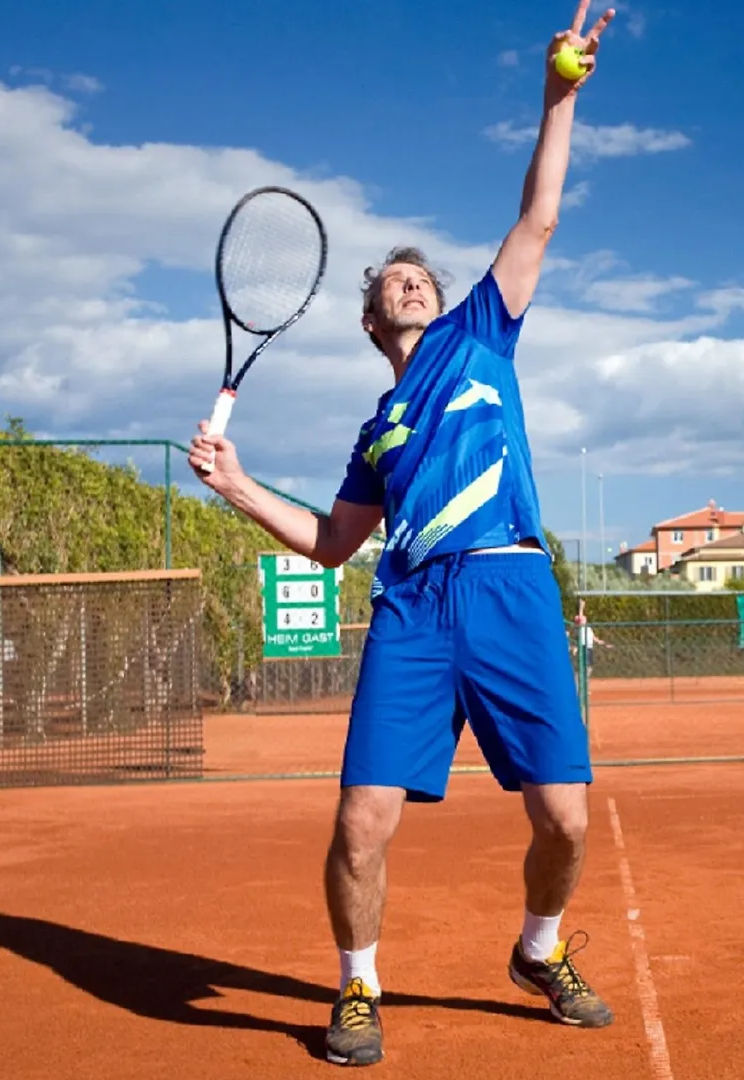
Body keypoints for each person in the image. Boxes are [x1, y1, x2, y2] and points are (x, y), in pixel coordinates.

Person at [188, 3, 617, 1067]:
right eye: (394, 283)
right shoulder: (376, 431)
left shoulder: (484, 330)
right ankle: (358, 985)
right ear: (374, 321)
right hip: (416, 608)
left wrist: (558, 99)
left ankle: (540, 948)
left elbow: (541, 218)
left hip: (514, 590)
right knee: (359, 823)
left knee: (565, 820)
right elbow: (332, 543)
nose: (413, 281)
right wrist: (240, 485)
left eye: (420, 275)